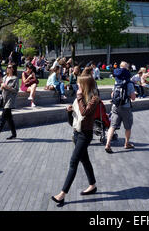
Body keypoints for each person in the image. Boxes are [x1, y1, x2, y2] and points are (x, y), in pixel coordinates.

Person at [51, 74, 100, 207]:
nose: (77, 86)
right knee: (85, 160)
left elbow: (85, 112)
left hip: (85, 135)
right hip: (77, 134)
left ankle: (62, 194)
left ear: (84, 85)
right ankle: (93, 185)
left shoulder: (94, 99)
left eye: (79, 84)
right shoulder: (80, 99)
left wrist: (78, 97)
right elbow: (72, 121)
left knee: (74, 161)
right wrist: (68, 112)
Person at [105, 61, 136, 153]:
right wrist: (131, 95)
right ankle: (126, 144)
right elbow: (133, 98)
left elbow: (112, 94)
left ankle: (107, 144)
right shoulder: (129, 83)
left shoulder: (116, 81)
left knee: (112, 126)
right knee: (128, 127)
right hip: (125, 107)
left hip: (115, 106)